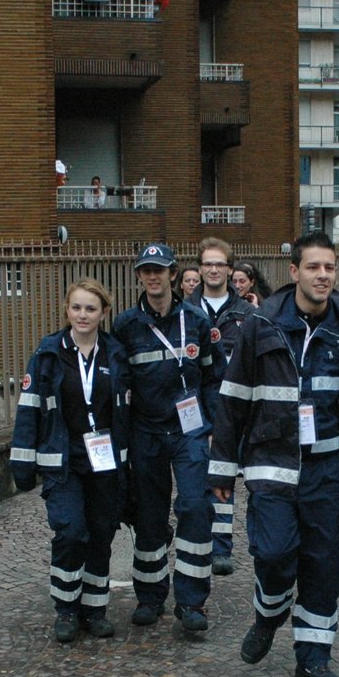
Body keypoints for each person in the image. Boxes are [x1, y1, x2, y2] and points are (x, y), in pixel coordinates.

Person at [211, 232, 339, 677]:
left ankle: (313, 659)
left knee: (324, 563)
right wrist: (222, 468)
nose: (324, 275)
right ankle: (269, 613)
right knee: (272, 554)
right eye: (314, 267)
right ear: (294, 273)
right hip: (271, 464)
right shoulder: (261, 325)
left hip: (328, 469)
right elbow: (233, 400)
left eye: (330, 267)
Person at [10, 279, 132, 643]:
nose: (83, 315)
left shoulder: (115, 354)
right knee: (70, 531)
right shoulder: (49, 353)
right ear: (67, 310)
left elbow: (126, 413)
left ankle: (94, 609)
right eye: (76, 307)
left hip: (106, 463)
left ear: (103, 313)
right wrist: (22, 463)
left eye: (90, 308)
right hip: (63, 461)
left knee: (100, 535)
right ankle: (65, 609)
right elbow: (29, 408)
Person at [111, 243, 221, 634]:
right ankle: (150, 595)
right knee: (149, 515)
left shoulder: (195, 319)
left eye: (160, 270)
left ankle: (192, 601)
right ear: (139, 276)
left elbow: (212, 380)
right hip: (147, 432)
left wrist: (212, 430)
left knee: (194, 507)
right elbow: (117, 387)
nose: (153, 277)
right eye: (146, 271)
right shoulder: (125, 326)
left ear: (174, 273)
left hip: (189, 431)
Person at [187, 237, 257, 577]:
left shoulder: (248, 314)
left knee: (226, 477)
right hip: (195, 411)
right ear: (199, 269)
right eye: (207, 263)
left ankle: (222, 549)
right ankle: (199, 543)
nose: (213, 269)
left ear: (230, 270)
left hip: (234, 412)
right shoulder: (184, 311)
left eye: (220, 264)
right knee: (197, 482)